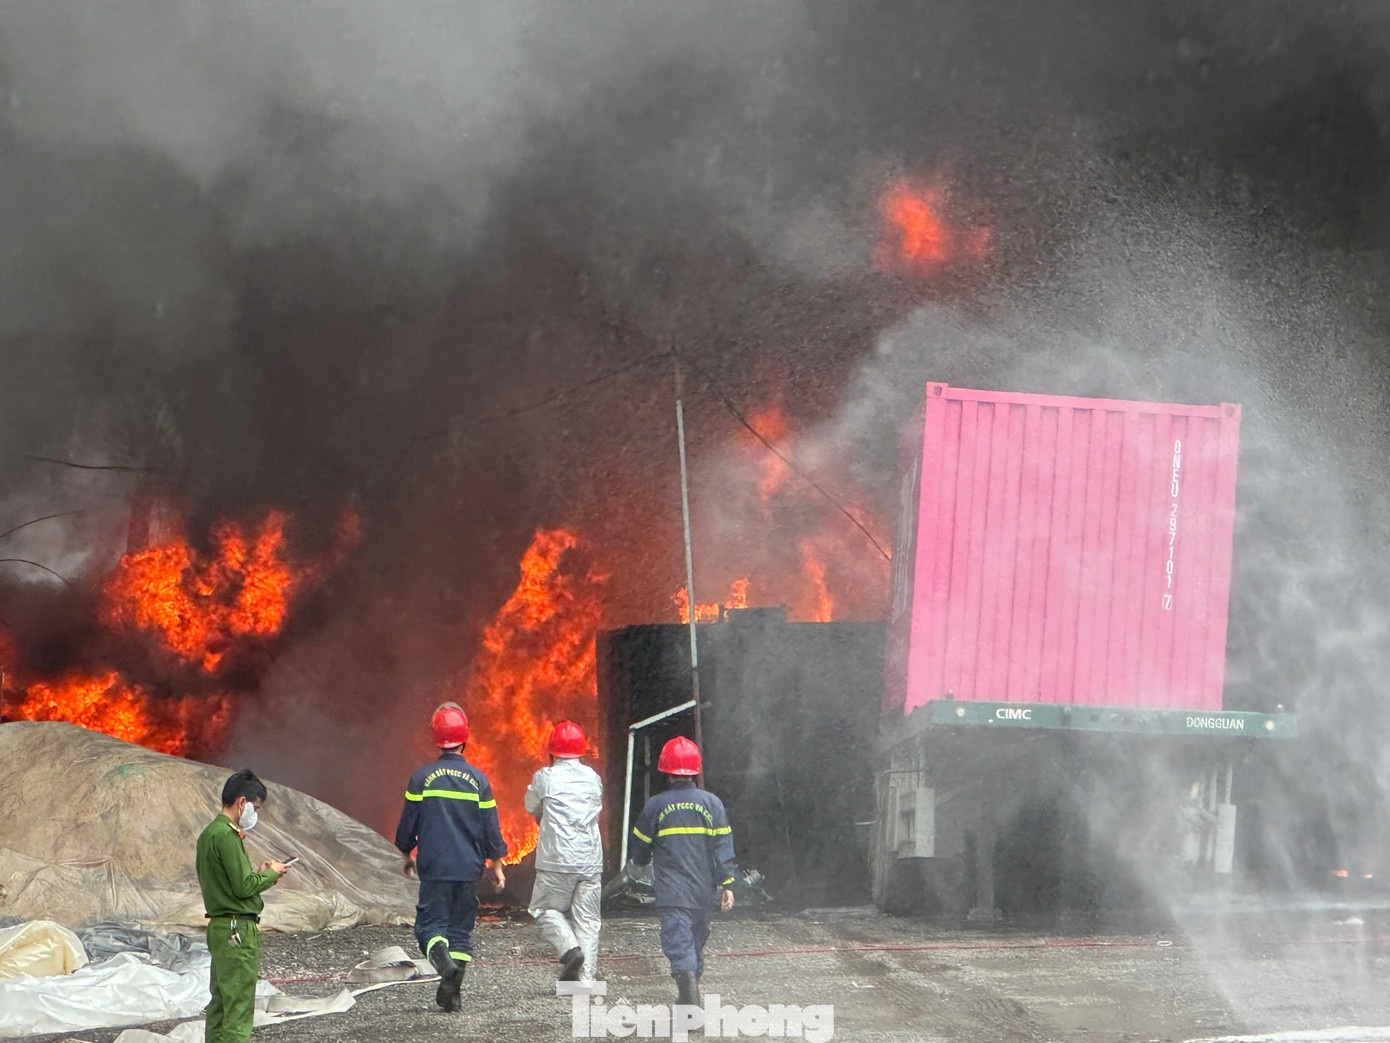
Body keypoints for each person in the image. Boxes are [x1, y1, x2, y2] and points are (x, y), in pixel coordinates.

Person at [395, 701, 508, 1013]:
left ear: (435, 738)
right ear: (465, 738)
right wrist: (497, 863)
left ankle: (444, 966)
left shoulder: (421, 779)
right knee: (460, 932)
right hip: (467, 869)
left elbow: (408, 824)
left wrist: (406, 852)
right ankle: (452, 994)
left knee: (429, 928)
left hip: (435, 867)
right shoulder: (478, 781)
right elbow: (490, 828)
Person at [629, 736, 737, 1007]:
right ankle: (689, 993)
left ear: (665, 772)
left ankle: (688, 998)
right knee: (696, 941)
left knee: (679, 942)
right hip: (703, 891)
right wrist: (728, 883)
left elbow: (640, 847)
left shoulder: (656, 805)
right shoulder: (712, 803)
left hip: (672, 891)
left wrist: (640, 861)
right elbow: (723, 846)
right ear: (695, 770)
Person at [195, 769, 290, 1043]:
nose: (255, 813)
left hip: (220, 926)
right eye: (255, 807)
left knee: (220, 1003)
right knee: (238, 1005)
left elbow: (232, 881)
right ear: (241, 803)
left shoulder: (209, 833)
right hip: (237, 928)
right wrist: (272, 873)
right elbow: (243, 887)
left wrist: (258, 874)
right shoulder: (227, 835)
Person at [525, 720, 603, 983]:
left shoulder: (545, 777)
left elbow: (531, 807)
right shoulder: (593, 778)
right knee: (588, 921)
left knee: (544, 909)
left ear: (552, 751)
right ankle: (585, 982)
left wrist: (544, 815)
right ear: (582, 750)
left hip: (556, 860)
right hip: (590, 861)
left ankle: (570, 950)